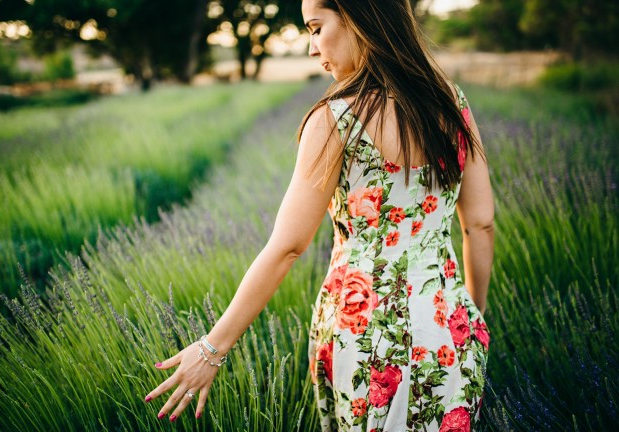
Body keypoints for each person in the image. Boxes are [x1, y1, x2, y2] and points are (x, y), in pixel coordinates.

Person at [143, 0, 494, 430]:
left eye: (315, 27)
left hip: (367, 339)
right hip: (450, 330)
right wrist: (467, 319)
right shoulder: (451, 102)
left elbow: (289, 247)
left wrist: (212, 348)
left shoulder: (335, 119)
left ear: (359, 18)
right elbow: (480, 224)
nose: (312, 48)